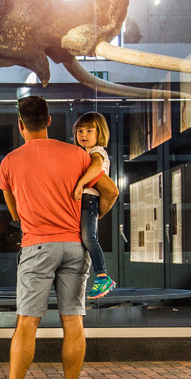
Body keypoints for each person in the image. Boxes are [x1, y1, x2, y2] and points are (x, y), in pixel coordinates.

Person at [0, 96, 118, 379]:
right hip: (75, 246)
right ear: (49, 121)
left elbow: (15, 214)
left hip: (37, 246)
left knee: (27, 322)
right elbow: (111, 191)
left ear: (21, 125)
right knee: (73, 319)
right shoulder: (79, 155)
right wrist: (89, 224)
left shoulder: (9, 162)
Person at [72, 112, 117, 299]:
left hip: (90, 200)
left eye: (89, 131)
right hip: (85, 201)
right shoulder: (85, 153)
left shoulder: (97, 152)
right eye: (80, 131)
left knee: (89, 238)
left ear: (100, 133)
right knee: (84, 238)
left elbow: (97, 167)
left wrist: (81, 184)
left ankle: (102, 276)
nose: (83, 134)